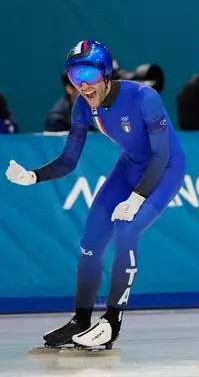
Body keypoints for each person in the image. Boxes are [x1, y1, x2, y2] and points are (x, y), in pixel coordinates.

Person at [5, 40, 186, 350]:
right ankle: (81, 319)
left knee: (126, 232)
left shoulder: (144, 98)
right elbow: (68, 161)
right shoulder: (81, 106)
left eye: (88, 73)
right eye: (76, 77)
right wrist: (32, 176)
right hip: (129, 165)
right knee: (91, 240)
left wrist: (137, 198)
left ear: (105, 73)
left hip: (165, 170)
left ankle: (112, 322)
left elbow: (161, 155)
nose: (83, 84)